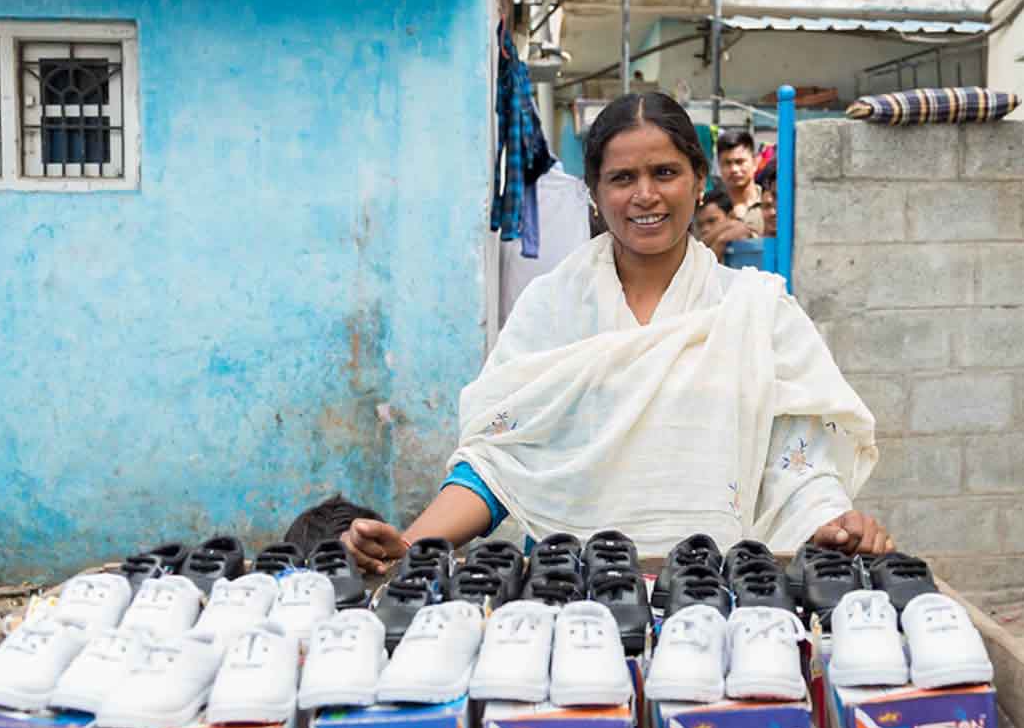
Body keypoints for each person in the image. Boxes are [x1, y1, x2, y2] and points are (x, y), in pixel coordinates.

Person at [346, 92, 891, 573]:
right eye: (623, 178)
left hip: (710, 594)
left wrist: (833, 525)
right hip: (569, 591)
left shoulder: (757, 310)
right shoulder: (553, 309)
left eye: (665, 173)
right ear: (595, 193)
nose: (645, 195)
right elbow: (499, 459)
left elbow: (801, 465)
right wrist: (413, 542)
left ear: (700, 182)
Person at [714, 128, 770, 234]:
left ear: (755, 162)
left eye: (740, 162)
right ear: (719, 166)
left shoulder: (770, 203)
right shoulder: (711, 208)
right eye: (727, 163)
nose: (734, 169)